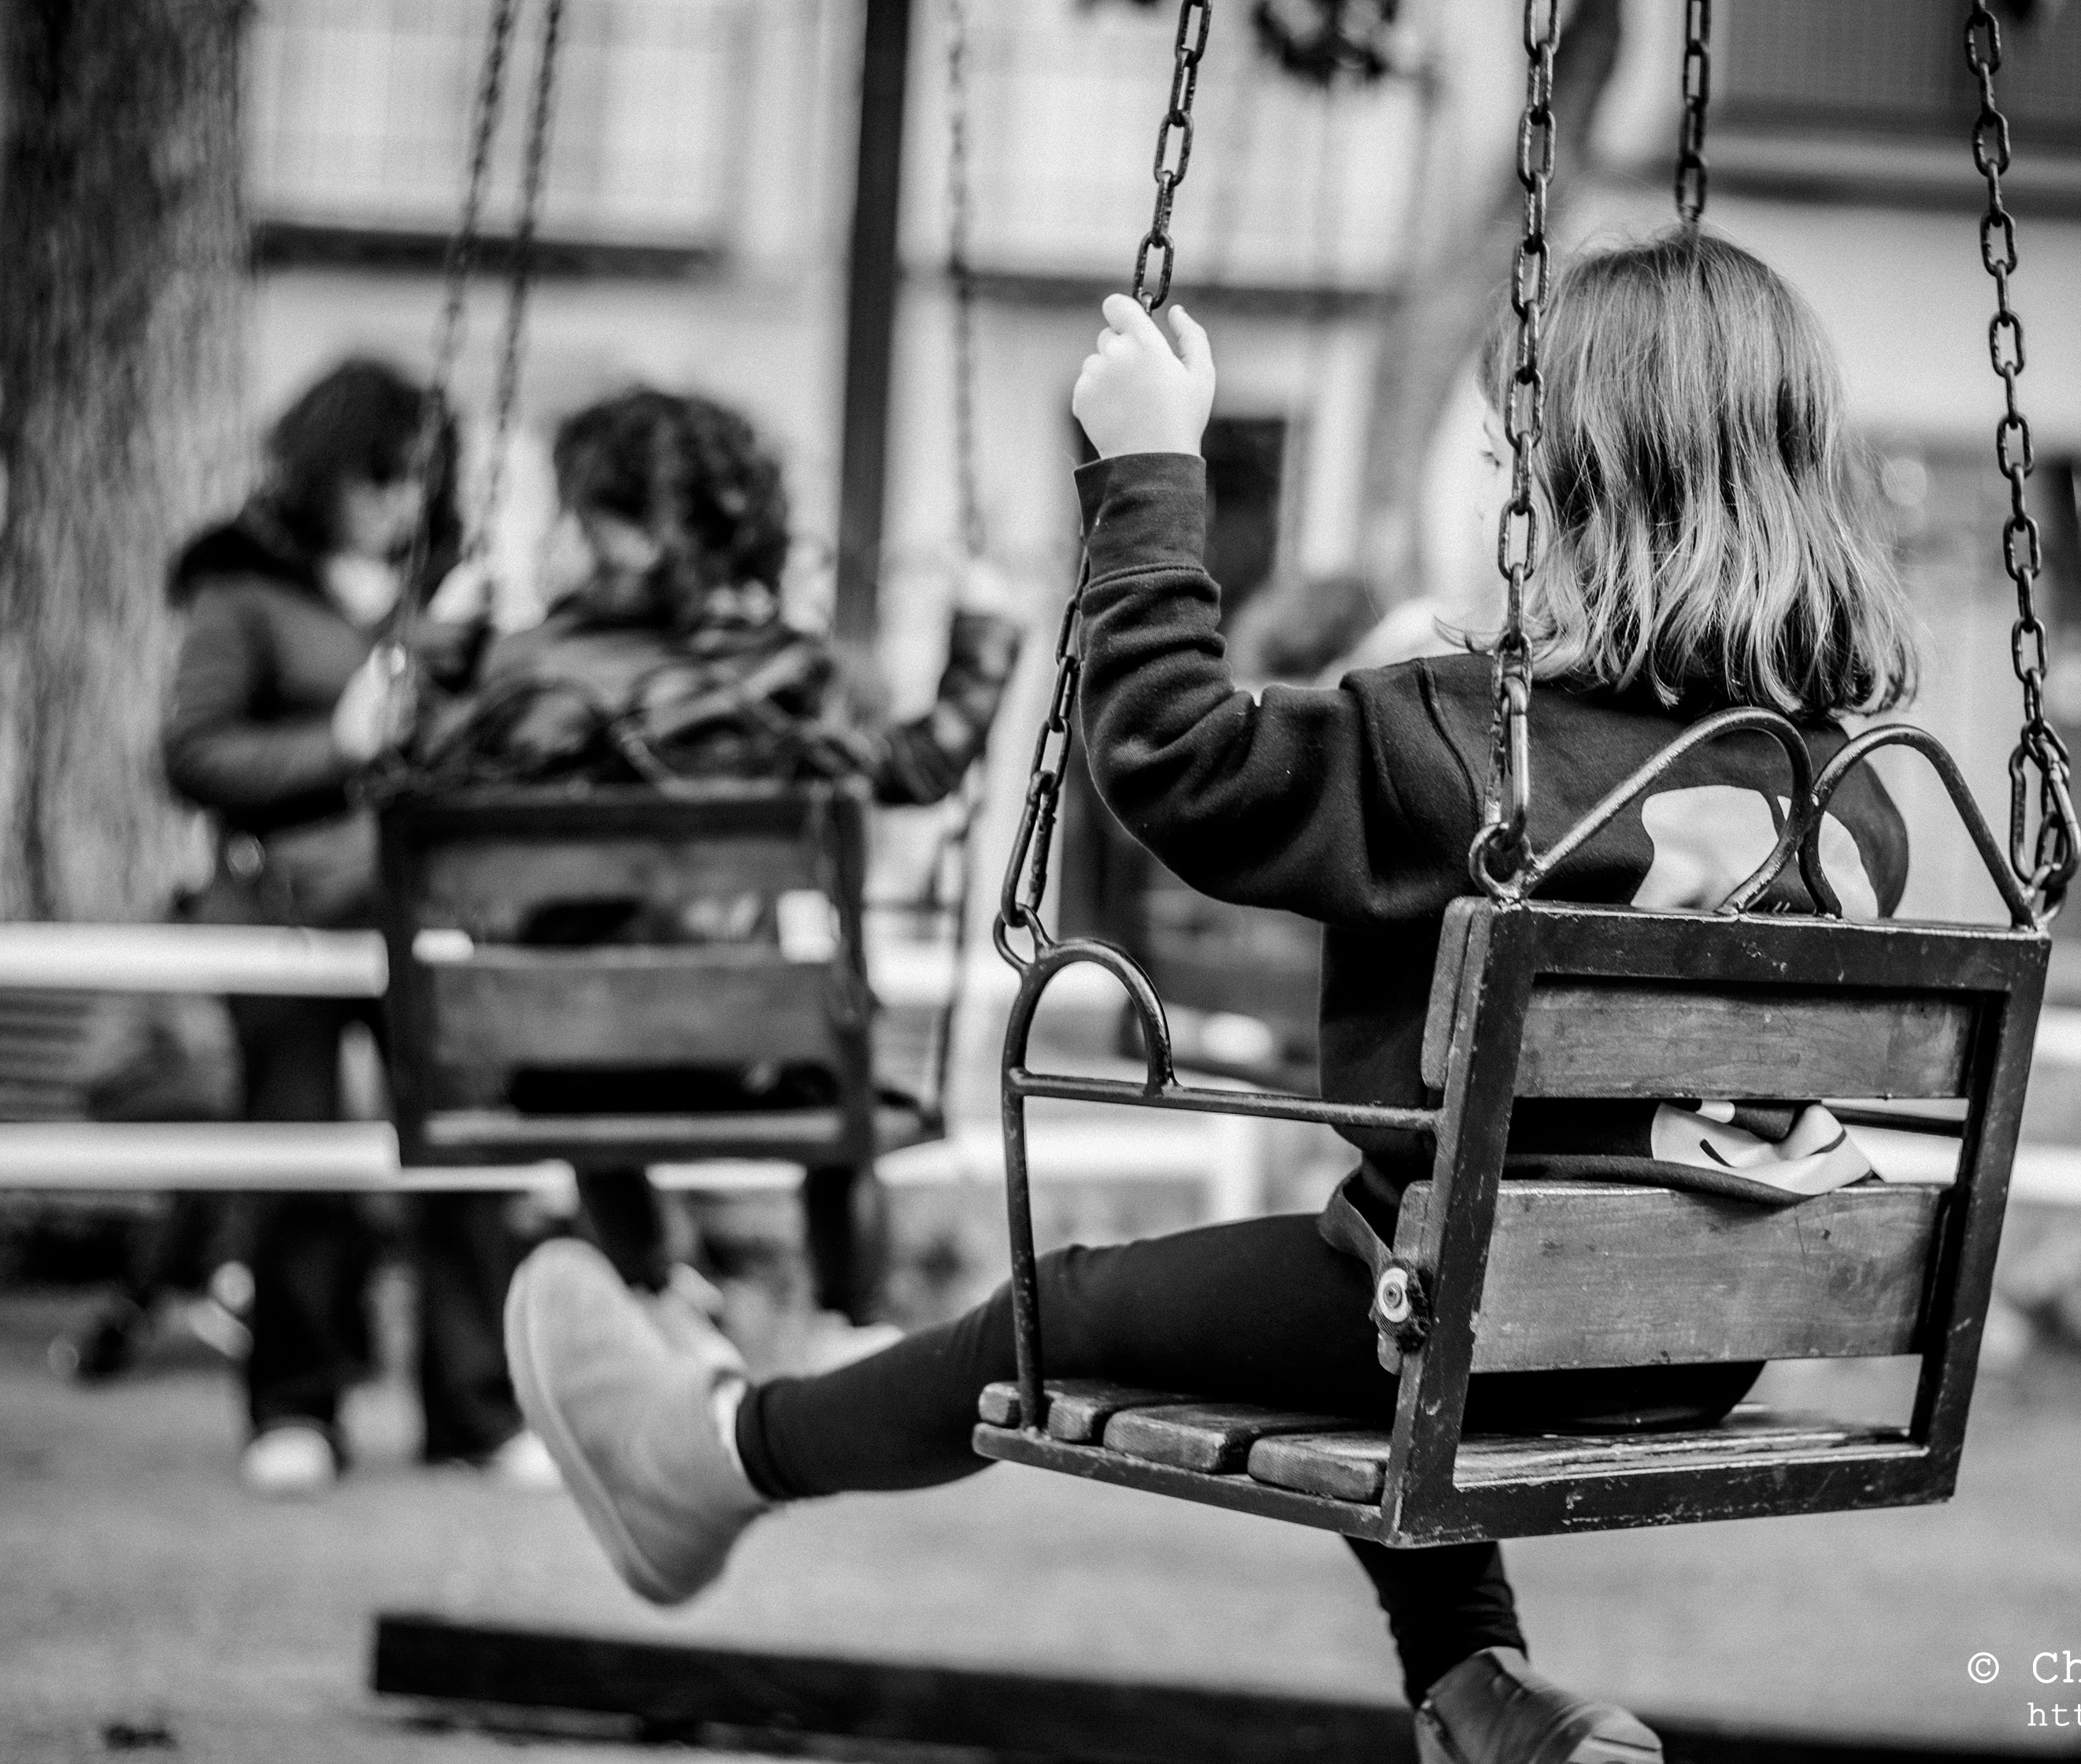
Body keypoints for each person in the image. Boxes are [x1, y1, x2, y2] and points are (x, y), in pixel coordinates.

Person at [503, 230, 1917, 1764]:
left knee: (1075, 1311)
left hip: (1459, 1319)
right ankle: (1480, 1692)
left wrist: (1151, 471)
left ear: (1564, 489)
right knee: (1385, 1284)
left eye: (1513, 465)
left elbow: (1170, 753)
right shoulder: (1854, 795)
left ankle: (709, 1459)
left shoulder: (1463, 745)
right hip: (1694, 1337)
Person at [408, 389, 1021, 1351]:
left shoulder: (513, 672)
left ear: (621, 533)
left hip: (559, 1063)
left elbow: (405, 760)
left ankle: (654, 1286)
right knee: (831, 1054)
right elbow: (921, 765)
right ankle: (846, 1316)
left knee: (580, 1022)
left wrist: (444, 641)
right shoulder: (786, 672)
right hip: (745, 1059)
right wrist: (983, 635)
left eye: (572, 509)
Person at [164, 358, 550, 1495]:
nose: (397, 499)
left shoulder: (443, 591)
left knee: (463, 1149)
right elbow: (193, 754)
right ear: (325, 471)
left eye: (417, 478)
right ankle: (296, 1406)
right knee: (299, 1157)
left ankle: (475, 1409)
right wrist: (336, 744)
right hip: (284, 914)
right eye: (378, 476)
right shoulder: (244, 591)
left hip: (419, 907)